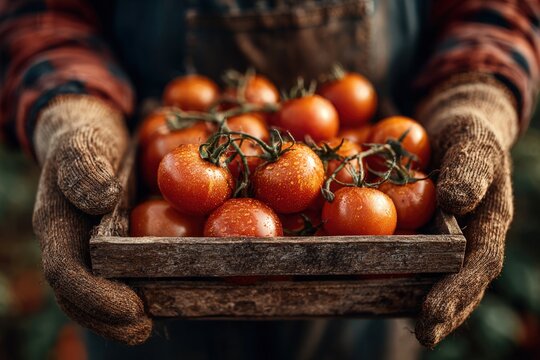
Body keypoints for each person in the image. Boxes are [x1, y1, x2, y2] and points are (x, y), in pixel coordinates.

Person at [0, 0, 538, 358]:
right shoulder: (243, 155)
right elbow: (43, 15)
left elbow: (494, 9)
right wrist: (68, 106)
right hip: (155, 305)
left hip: (369, 302)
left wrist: (478, 90)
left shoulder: (339, 176)